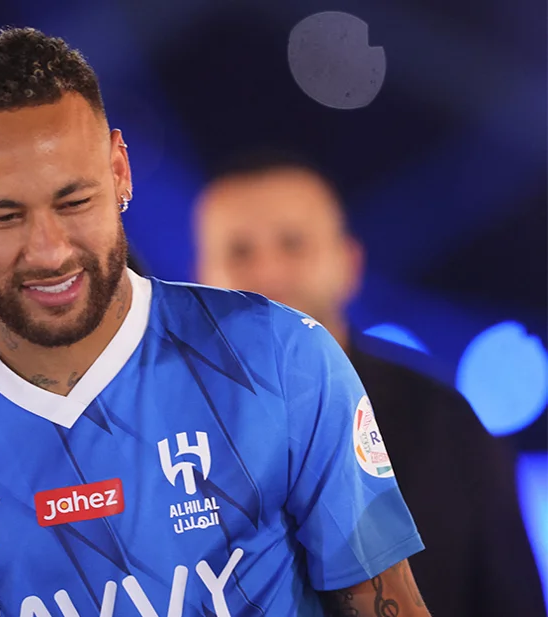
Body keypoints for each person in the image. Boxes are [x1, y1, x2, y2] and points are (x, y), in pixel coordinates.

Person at [0, 27, 433, 616]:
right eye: (4, 216)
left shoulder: (282, 356)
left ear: (119, 169)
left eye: (74, 202)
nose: (48, 251)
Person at [193, 150, 546, 617]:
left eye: (293, 244)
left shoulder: (447, 424)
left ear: (349, 263)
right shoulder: (163, 430)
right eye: (239, 251)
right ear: (199, 278)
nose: (267, 274)